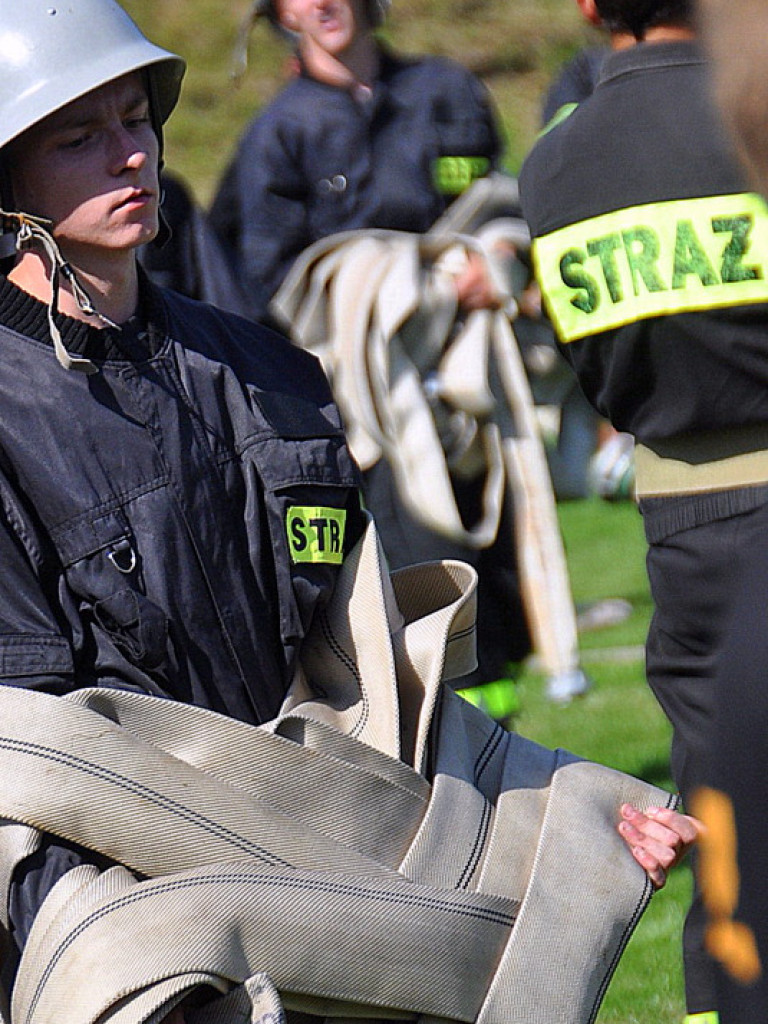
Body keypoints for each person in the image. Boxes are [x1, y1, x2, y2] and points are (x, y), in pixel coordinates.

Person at [0, 3, 701, 1021]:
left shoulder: (272, 377)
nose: (131, 154)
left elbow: (372, 675)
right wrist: (134, 980)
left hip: (323, 889)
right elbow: (27, 761)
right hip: (138, 931)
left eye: (135, 119)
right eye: (78, 138)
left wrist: (569, 808)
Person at [518, 1, 768, 1021]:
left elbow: (589, 372)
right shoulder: (751, 107)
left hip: (679, 528)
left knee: (725, 829)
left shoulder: (552, 165)